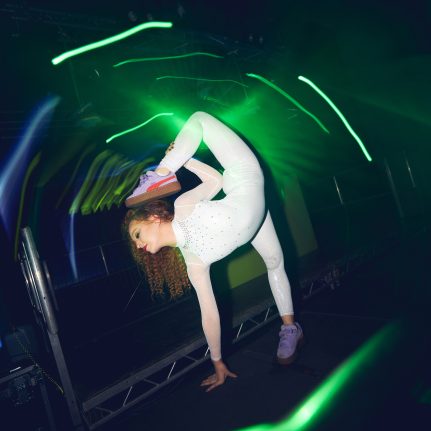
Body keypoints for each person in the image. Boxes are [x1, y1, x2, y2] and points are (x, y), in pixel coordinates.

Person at [123, 111, 304, 392]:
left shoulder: (183, 207)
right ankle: (291, 329)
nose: (138, 245)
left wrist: (184, 160)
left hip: (243, 176)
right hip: (255, 217)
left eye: (137, 235)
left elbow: (216, 181)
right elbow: (209, 314)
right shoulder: (194, 263)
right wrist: (217, 361)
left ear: (154, 218)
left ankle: (160, 174)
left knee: (199, 118)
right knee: (274, 262)